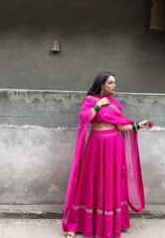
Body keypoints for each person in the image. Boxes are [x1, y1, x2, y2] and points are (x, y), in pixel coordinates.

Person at [62, 71, 154, 238]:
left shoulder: (115, 104)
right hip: (96, 145)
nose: (114, 85)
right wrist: (98, 105)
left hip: (113, 146)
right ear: (102, 84)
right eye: (111, 82)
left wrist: (139, 125)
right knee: (91, 180)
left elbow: (120, 126)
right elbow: (84, 119)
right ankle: (84, 223)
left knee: (111, 181)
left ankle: (109, 224)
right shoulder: (90, 100)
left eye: (114, 82)